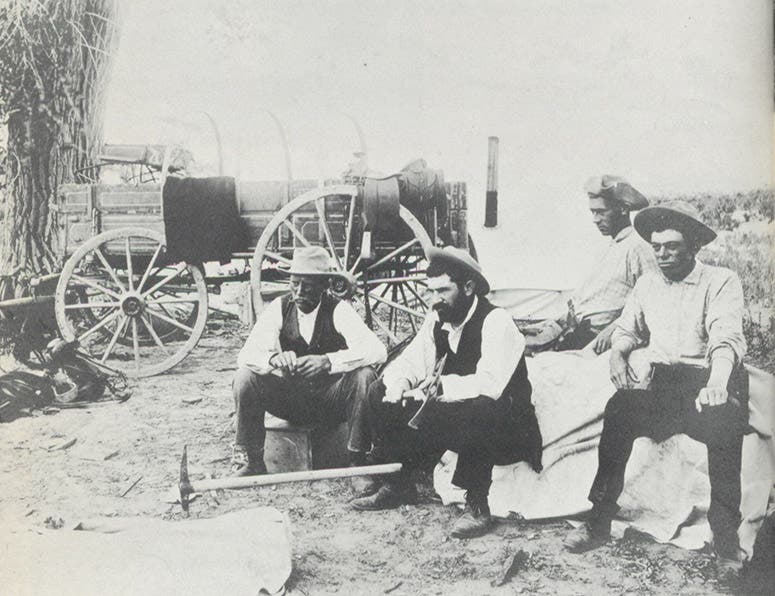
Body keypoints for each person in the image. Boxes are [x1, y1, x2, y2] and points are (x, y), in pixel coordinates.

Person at [564, 201, 749, 565]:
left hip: (709, 379)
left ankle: (726, 538)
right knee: (620, 409)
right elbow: (628, 328)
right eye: (657, 247)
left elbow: (725, 338)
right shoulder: (648, 284)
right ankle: (598, 522)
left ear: (693, 246)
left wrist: (717, 383)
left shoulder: (720, 281)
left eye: (673, 246)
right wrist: (618, 354)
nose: (663, 254)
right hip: (665, 385)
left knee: (726, 426)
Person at [351, 246, 543, 539]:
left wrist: (439, 386)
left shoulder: (496, 321)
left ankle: (478, 505)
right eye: (430, 292)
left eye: (443, 290)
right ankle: (399, 485)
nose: (434, 300)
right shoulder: (438, 319)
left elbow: (490, 385)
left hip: (506, 429)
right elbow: (412, 361)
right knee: (381, 389)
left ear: (468, 287)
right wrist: (400, 384)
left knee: (482, 408)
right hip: (460, 417)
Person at [231, 246, 387, 490]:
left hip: (330, 402)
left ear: (324, 285)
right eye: (295, 284)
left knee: (365, 376)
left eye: (308, 285)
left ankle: (358, 464)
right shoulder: (280, 308)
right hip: (291, 401)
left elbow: (378, 350)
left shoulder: (338, 309)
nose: (300, 292)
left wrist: (329, 361)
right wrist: (273, 360)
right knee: (245, 377)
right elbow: (246, 355)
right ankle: (253, 463)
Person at [526, 175, 657, 353]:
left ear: (623, 209)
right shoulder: (609, 246)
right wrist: (553, 322)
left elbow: (651, 303)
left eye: (601, 212)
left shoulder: (639, 247)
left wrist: (615, 329)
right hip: (575, 331)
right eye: (593, 212)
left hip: (598, 340)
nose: (595, 219)